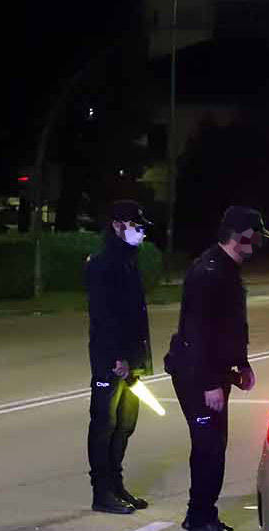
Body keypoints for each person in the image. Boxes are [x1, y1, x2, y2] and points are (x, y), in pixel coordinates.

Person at [164, 206, 269, 531]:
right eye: (254, 237)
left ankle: (201, 515)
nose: (256, 245)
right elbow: (198, 333)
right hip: (197, 375)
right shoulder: (209, 272)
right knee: (209, 448)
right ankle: (200, 522)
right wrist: (210, 382)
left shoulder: (225, 269)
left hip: (210, 372)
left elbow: (228, 327)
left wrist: (241, 364)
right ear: (240, 236)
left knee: (214, 446)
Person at [85, 200, 154, 514]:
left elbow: (134, 315)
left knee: (125, 423)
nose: (140, 232)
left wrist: (138, 359)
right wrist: (117, 358)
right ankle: (102, 492)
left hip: (131, 360)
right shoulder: (103, 263)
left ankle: (116, 484)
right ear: (117, 225)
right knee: (104, 423)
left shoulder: (129, 260)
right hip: (111, 361)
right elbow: (104, 316)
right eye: (135, 226)